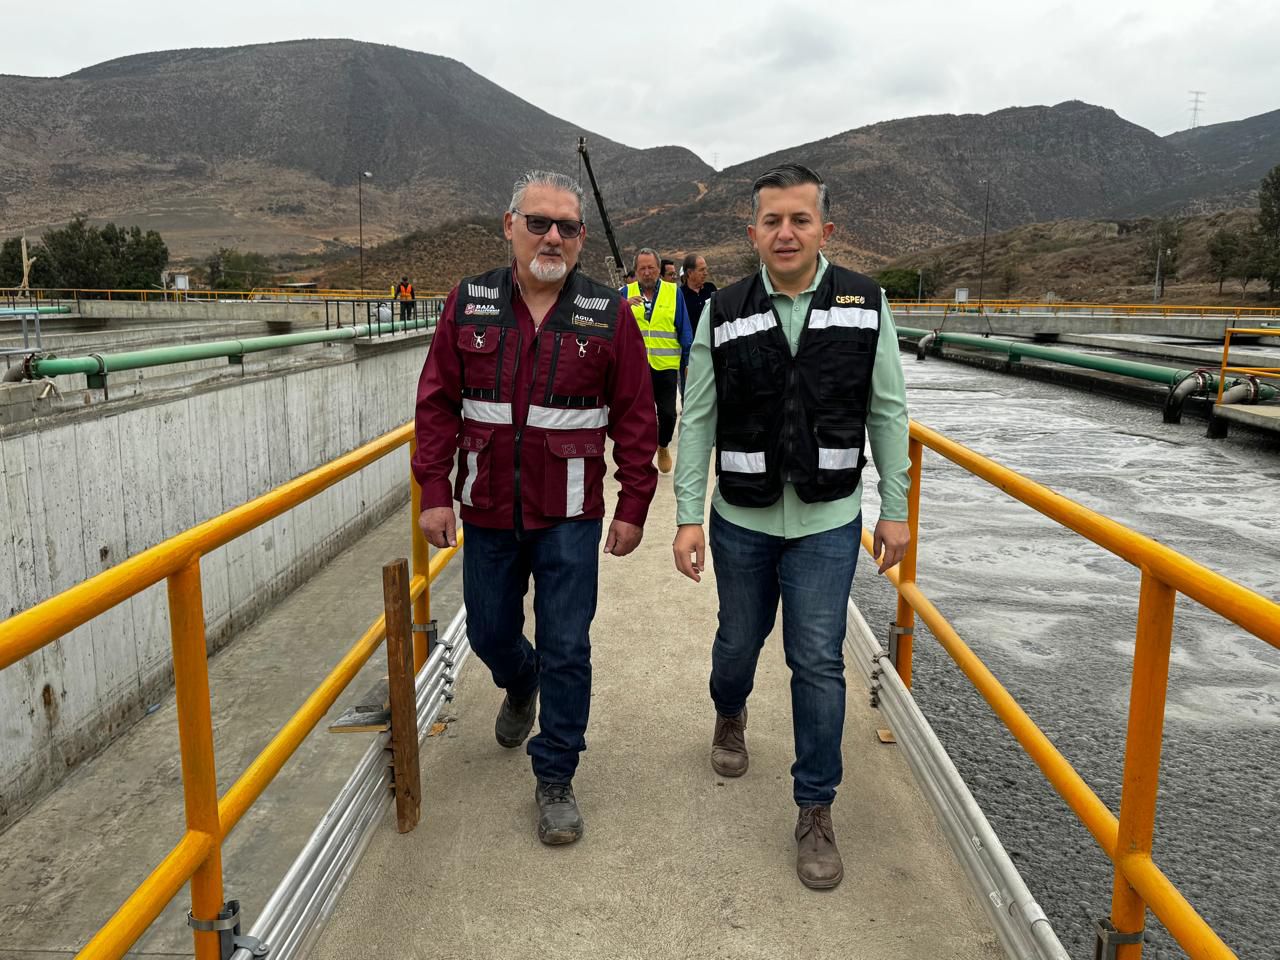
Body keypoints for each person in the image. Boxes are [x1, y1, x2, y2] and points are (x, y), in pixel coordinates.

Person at [672, 163, 911, 889]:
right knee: (737, 643)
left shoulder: (866, 304)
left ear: (825, 230)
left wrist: (895, 506)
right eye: (772, 221)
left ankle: (815, 807)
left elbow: (888, 410)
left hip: (828, 517)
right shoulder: (727, 308)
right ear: (752, 231)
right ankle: (729, 710)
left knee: (817, 659)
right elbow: (699, 416)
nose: (785, 232)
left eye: (800, 220)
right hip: (741, 515)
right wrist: (687, 516)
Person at [413, 170, 658, 845]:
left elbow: (638, 416)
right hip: (488, 507)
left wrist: (634, 500)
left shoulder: (608, 316)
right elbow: (436, 403)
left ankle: (555, 775)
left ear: (581, 239)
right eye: (539, 223)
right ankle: (520, 684)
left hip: (570, 514)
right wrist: (435, 491)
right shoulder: (469, 304)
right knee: (490, 634)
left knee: (568, 647)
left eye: (568, 227)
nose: (553, 236)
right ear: (509, 225)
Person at [623, 248, 692, 474]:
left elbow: (684, 331)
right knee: (638, 417)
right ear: (635, 270)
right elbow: (613, 329)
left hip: (666, 367)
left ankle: (662, 445)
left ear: (658, 269)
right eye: (642, 268)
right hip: (636, 368)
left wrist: (689, 362)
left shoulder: (674, 293)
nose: (647, 272)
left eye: (651, 267)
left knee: (668, 415)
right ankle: (640, 457)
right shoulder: (625, 293)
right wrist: (622, 307)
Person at [679, 253, 716, 336]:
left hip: (711, 343)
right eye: (701, 270)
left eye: (706, 269)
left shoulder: (711, 289)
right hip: (691, 345)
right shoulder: (679, 295)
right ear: (689, 273)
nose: (705, 273)